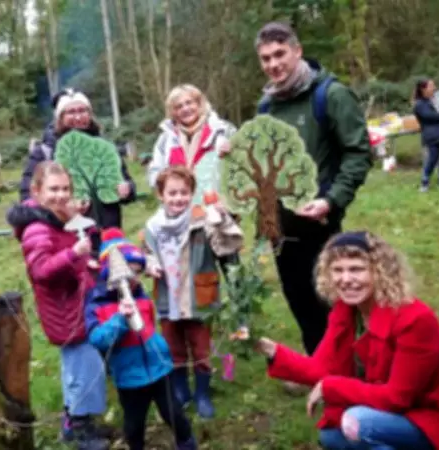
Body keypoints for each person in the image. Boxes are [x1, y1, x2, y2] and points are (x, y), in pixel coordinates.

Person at [254, 230, 439, 450]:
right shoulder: (347, 311)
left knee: (359, 422)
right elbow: (322, 368)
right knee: (332, 436)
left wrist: (332, 388)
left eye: (356, 269)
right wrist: (270, 349)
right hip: (404, 415)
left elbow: (397, 398)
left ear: (380, 272)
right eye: (337, 270)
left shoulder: (414, 319)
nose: (345, 279)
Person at [241, 22, 372, 369]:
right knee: (299, 300)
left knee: (332, 303)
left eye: (280, 54)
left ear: (297, 51)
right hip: (281, 229)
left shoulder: (331, 95)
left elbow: (359, 153)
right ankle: (319, 369)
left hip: (320, 222)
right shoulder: (266, 106)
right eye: (266, 58)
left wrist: (332, 200)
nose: (273, 64)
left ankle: (352, 373)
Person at [6, 161, 110, 450]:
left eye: (65, 189)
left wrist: (79, 229)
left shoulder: (59, 217)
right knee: (82, 368)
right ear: (36, 191)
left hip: (76, 303)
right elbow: (41, 270)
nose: (61, 195)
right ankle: (79, 427)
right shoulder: (37, 228)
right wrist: (73, 254)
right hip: (64, 311)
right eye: (53, 189)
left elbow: (87, 238)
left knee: (79, 366)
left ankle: (76, 420)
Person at [141, 166, 244, 418]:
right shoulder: (153, 227)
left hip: (199, 297)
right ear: (161, 195)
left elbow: (227, 246)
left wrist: (222, 219)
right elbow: (145, 254)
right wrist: (148, 264)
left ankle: (202, 393)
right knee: (172, 347)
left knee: (200, 349)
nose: (178, 198)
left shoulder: (203, 220)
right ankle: (180, 389)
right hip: (168, 298)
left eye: (184, 193)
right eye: (172, 193)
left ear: (192, 193)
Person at [84, 228, 198, 450]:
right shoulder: (97, 305)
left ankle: (186, 443)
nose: (134, 279)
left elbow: (149, 325)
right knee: (134, 424)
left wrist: (160, 347)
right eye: (129, 272)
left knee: (174, 414)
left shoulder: (141, 295)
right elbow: (98, 339)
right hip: (130, 376)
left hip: (160, 369)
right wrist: (120, 319)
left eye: (137, 272)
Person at [18, 88, 136, 231]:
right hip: (66, 234)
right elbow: (28, 195)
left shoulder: (104, 148)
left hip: (108, 231)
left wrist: (127, 189)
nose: (78, 117)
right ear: (60, 117)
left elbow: (125, 180)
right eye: (71, 112)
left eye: (82, 111)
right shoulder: (45, 152)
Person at [147, 84, 236, 205]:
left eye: (189, 103)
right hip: (179, 206)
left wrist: (232, 153)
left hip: (217, 205)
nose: (185, 109)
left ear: (199, 104)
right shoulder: (165, 139)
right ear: (173, 112)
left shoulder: (223, 131)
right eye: (178, 107)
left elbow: (240, 165)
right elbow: (155, 173)